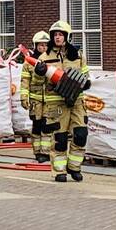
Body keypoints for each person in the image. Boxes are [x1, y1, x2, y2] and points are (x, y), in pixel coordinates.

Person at [37, 20, 90, 182]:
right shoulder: (44, 57)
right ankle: (59, 170)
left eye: (61, 35)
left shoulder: (78, 55)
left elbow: (85, 74)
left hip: (77, 102)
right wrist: (39, 73)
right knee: (59, 138)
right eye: (55, 35)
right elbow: (37, 83)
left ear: (67, 36)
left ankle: (74, 167)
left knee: (80, 135)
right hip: (57, 104)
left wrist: (86, 83)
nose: (57, 37)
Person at [20, 31, 51, 163]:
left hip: (50, 101)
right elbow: (25, 81)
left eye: (45, 45)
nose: (43, 48)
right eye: (40, 45)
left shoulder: (53, 59)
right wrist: (23, 97)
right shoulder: (29, 62)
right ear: (36, 46)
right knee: (37, 126)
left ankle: (46, 152)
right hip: (35, 101)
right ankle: (37, 152)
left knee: (47, 126)